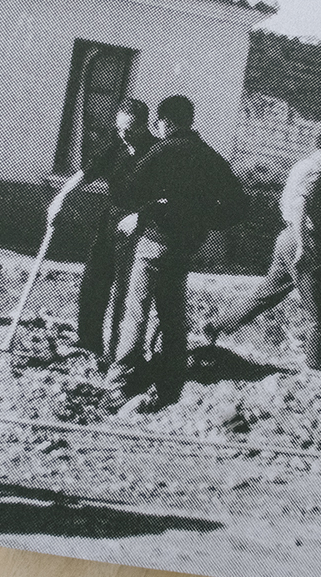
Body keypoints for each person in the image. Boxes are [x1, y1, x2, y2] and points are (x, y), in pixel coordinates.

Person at [106, 95, 247, 408]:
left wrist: (146, 211)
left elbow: (125, 191)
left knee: (137, 310)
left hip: (155, 242)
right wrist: (205, 220)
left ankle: (119, 383)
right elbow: (239, 205)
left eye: (159, 122)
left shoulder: (162, 151)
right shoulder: (210, 157)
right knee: (172, 313)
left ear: (165, 122)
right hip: (186, 245)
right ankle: (171, 380)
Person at [205, 128, 321, 371]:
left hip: (287, 238)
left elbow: (290, 202)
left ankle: (215, 325)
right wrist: (303, 244)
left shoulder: (302, 165)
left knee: (265, 295)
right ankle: (315, 369)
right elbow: (300, 203)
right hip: (301, 242)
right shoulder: (317, 171)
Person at [47, 98, 156, 357]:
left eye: (129, 130)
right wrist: (61, 197)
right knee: (93, 282)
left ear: (144, 127)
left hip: (139, 227)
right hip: (111, 222)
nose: (123, 135)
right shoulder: (116, 147)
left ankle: (118, 353)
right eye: (119, 129)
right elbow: (87, 172)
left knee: (125, 292)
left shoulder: (156, 153)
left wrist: (142, 216)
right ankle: (89, 342)